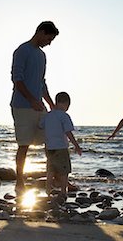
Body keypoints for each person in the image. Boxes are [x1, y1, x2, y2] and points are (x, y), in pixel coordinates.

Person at [10, 21, 59, 191]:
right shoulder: (22, 51)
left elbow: (41, 82)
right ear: (41, 32)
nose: (49, 43)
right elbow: (17, 79)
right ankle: (19, 180)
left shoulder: (42, 55)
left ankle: (56, 179)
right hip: (22, 106)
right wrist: (31, 99)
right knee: (24, 145)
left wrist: (51, 104)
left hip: (39, 106)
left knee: (52, 140)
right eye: (49, 38)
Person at [39, 92, 82, 196]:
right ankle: (63, 191)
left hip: (49, 148)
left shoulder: (48, 115)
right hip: (61, 147)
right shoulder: (64, 116)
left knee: (50, 170)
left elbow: (40, 125)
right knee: (64, 171)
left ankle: (48, 191)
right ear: (66, 104)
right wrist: (76, 145)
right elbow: (68, 132)